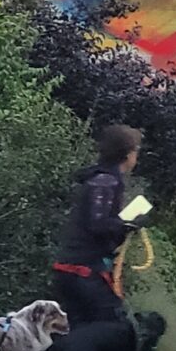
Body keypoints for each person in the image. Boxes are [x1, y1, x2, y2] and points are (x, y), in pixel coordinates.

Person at [53, 124, 142, 329]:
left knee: (80, 328)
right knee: (109, 326)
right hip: (83, 270)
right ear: (127, 154)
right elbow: (98, 225)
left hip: (74, 267)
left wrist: (125, 224)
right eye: (136, 150)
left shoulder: (100, 178)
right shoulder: (106, 181)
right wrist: (126, 224)